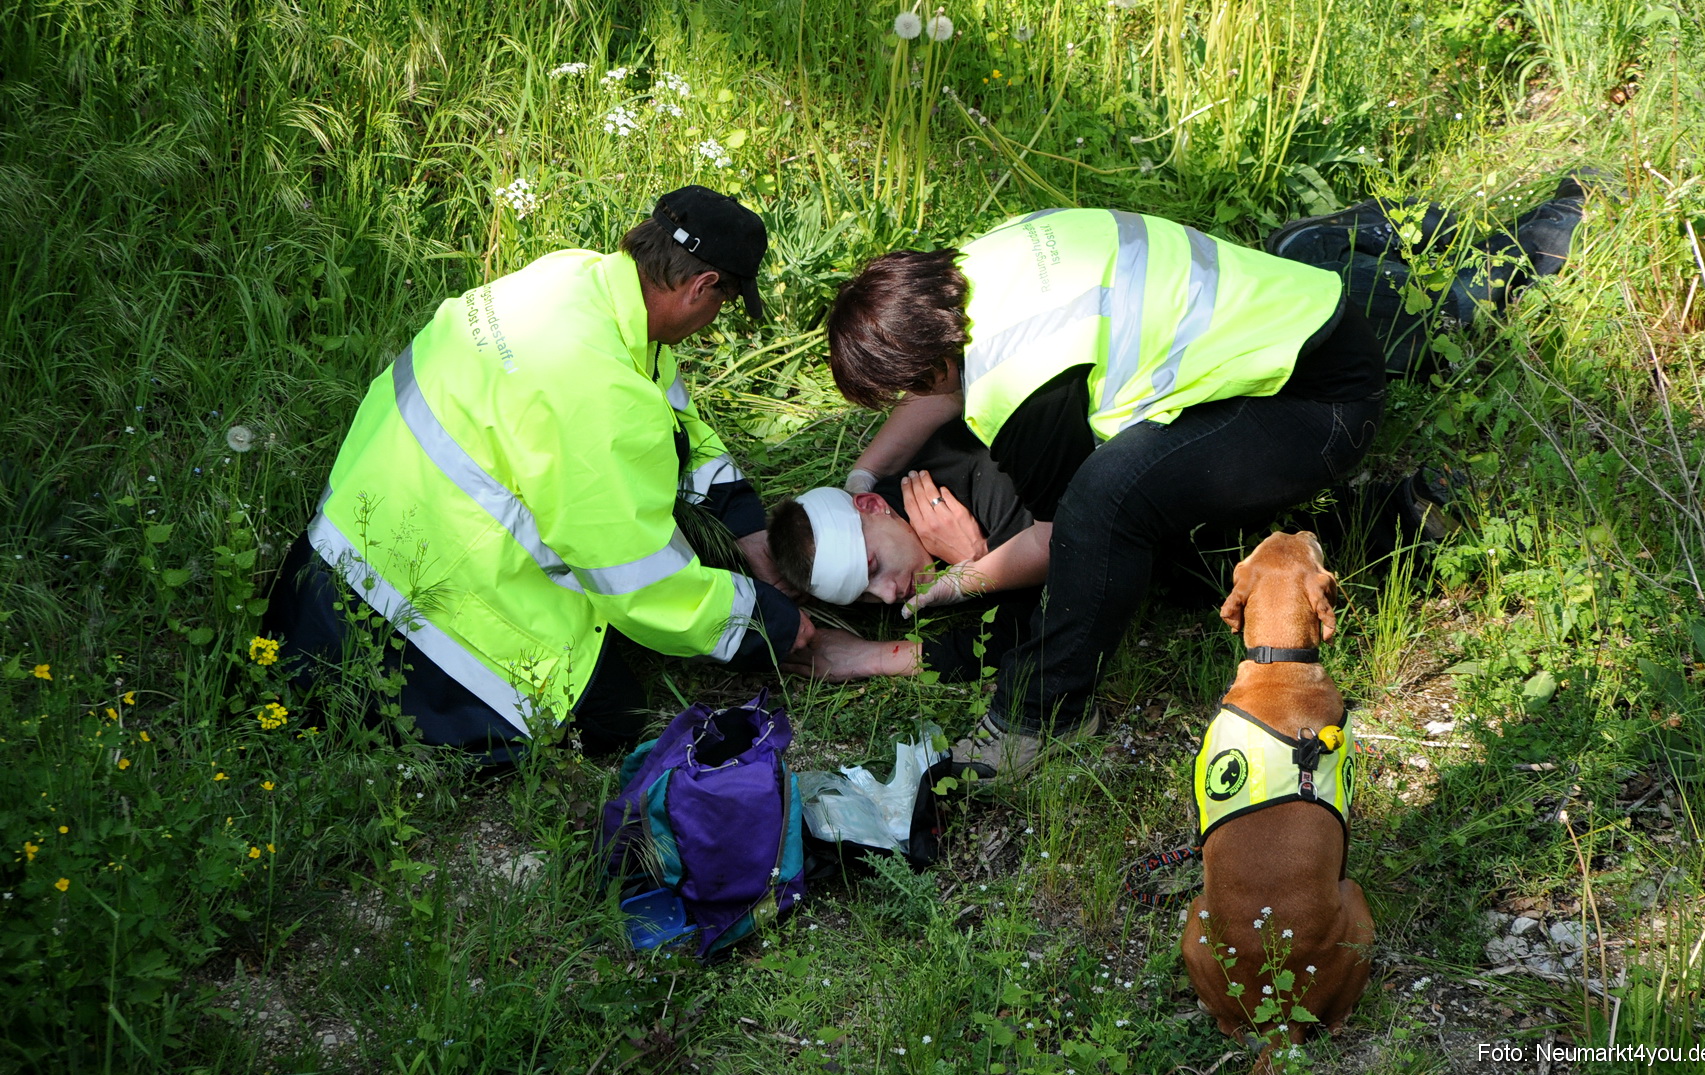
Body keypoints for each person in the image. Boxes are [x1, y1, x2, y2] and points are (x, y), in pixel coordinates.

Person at [816, 180, 1590, 782]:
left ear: (929, 362)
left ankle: (1037, 716)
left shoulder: (1023, 380)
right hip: (1301, 323)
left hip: (1317, 403)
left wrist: (959, 580)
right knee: (1154, 514)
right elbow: (937, 390)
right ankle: (1408, 511)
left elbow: (1066, 537)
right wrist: (864, 471)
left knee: (1107, 503)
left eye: (902, 389)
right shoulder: (983, 263)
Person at [264, 186, 812, 764]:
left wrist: (744, 523)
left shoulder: (577, 280)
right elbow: (641, 585)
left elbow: (676, 420)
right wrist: (770, 623)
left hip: (342, 538)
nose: (712, 319)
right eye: (722, 303)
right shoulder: (599, 395)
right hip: (408, 604)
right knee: (613, 715)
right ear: (702, 288)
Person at [766, 419, 1037, 681]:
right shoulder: (890, 541)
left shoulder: (983, 483)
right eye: (862, 595)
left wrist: (873, 657)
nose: (887, 595)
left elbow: (1040, 626)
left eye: (874, 567)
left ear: (872, 505)